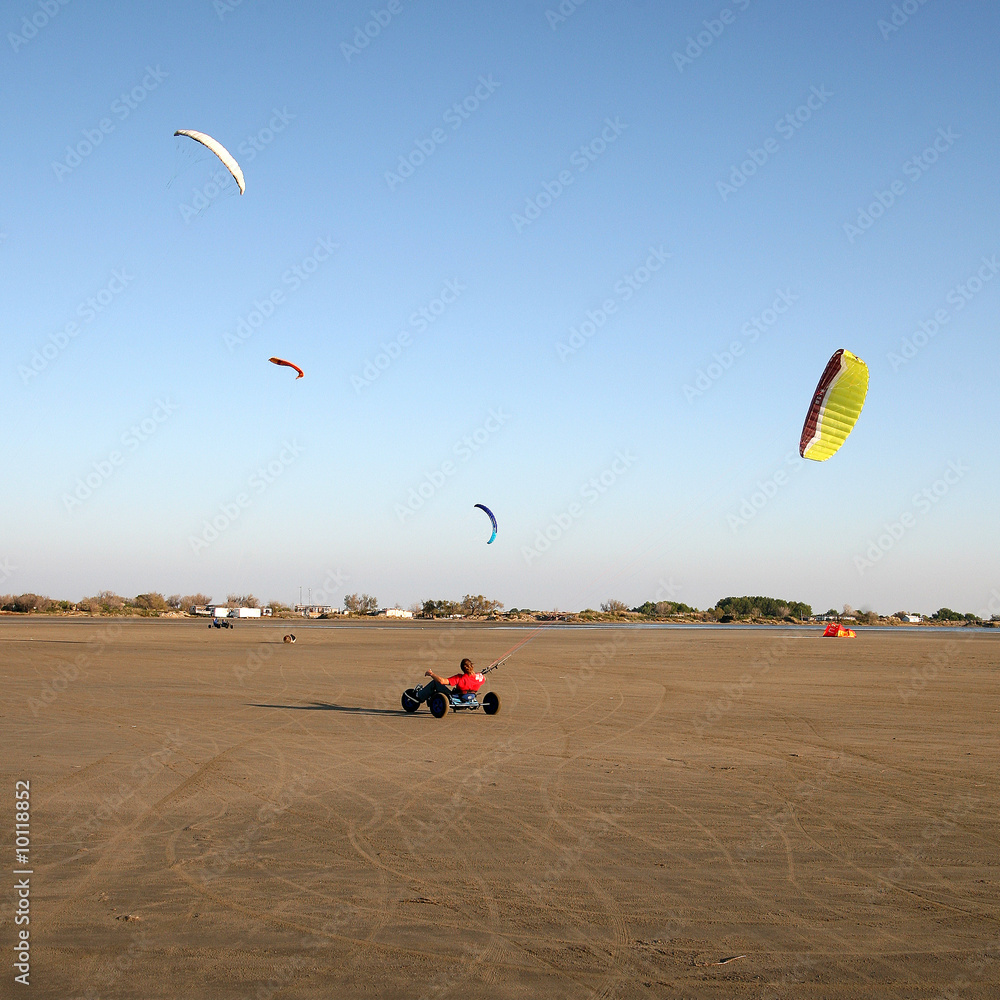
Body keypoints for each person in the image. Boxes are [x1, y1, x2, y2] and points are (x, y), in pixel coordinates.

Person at [413, 658, 485, 704]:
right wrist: (476, 673)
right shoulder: (480, 677)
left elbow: (442, 681)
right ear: (472, 666)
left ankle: (419, 695)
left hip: (456, 697)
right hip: (471, 695)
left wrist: (431, 674)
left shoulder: (460, 678)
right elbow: (483, 678)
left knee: (435, 682)